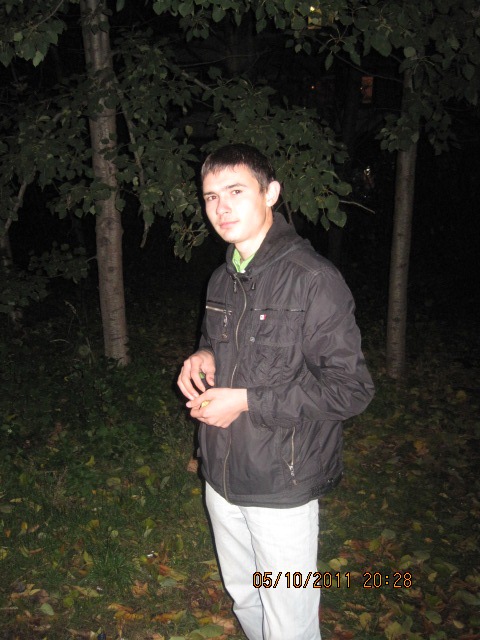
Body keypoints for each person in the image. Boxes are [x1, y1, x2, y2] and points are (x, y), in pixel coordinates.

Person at [177, 143, 374, 640]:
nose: (221, 207)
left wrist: (246, 400)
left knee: (288, 619)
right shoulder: (222, 279)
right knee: (244, 594)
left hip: (281, 483)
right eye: (211, 196)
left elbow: (351, 389)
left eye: (235, 191)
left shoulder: (314, 280)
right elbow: (221, 344)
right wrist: (204, 356)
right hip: (221, 473)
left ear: (271, 193)